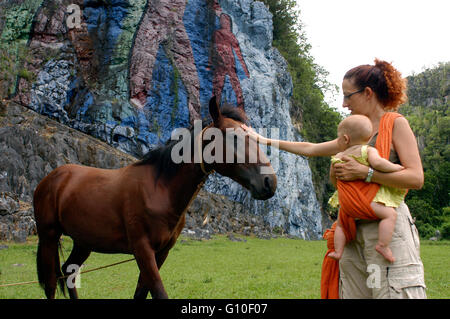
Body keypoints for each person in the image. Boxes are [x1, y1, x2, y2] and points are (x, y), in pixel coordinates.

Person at [242, 59, 426, 299]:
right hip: (350, 230)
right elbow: (310, 148)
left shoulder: (396, 124)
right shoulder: (352, 135)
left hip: (385, 228)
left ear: (368, 93)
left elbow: (415, 177)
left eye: (348, 96)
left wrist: (366, 174)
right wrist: (263, 140)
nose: (344, 103)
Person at [326, 114, 405, 263]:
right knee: (390, 215)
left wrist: (342, 191)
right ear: (368, 138)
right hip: (366, 201)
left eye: (338, 138)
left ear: (345, 139)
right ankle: (382, 245)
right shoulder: (367, 151)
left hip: (347, 204)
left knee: (341, 226)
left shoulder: (338, 156)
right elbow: (380, 164)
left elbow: (333, 177)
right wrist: (396, 167)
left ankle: (338, 251)